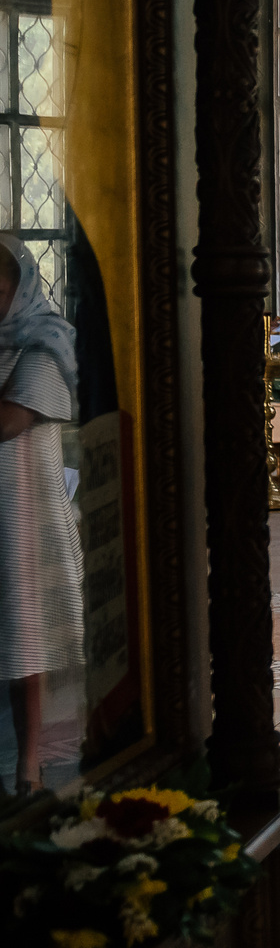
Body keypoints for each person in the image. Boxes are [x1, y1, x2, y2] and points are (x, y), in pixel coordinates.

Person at [0, 233, 82, 793]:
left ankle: (29, 766)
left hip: (25, 524)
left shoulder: (45, 345)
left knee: (24, 638)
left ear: (20, 284)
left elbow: (7, 420)